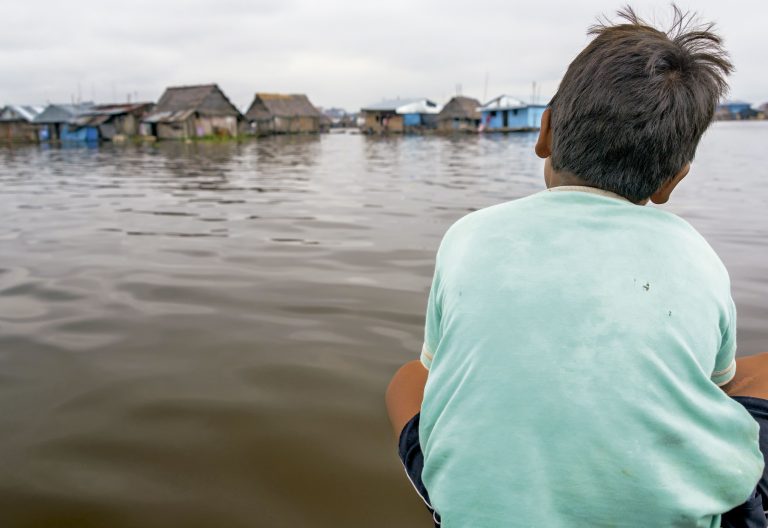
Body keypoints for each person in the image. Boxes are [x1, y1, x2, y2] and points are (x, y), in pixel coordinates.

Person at [385, 6, 768, 527]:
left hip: (473, 510)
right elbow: (716, 389)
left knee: (408, 377)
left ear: (543, 131)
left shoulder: (469, 236)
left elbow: (439, 374)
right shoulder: (698, 256)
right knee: (753, 374)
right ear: (673, 181)